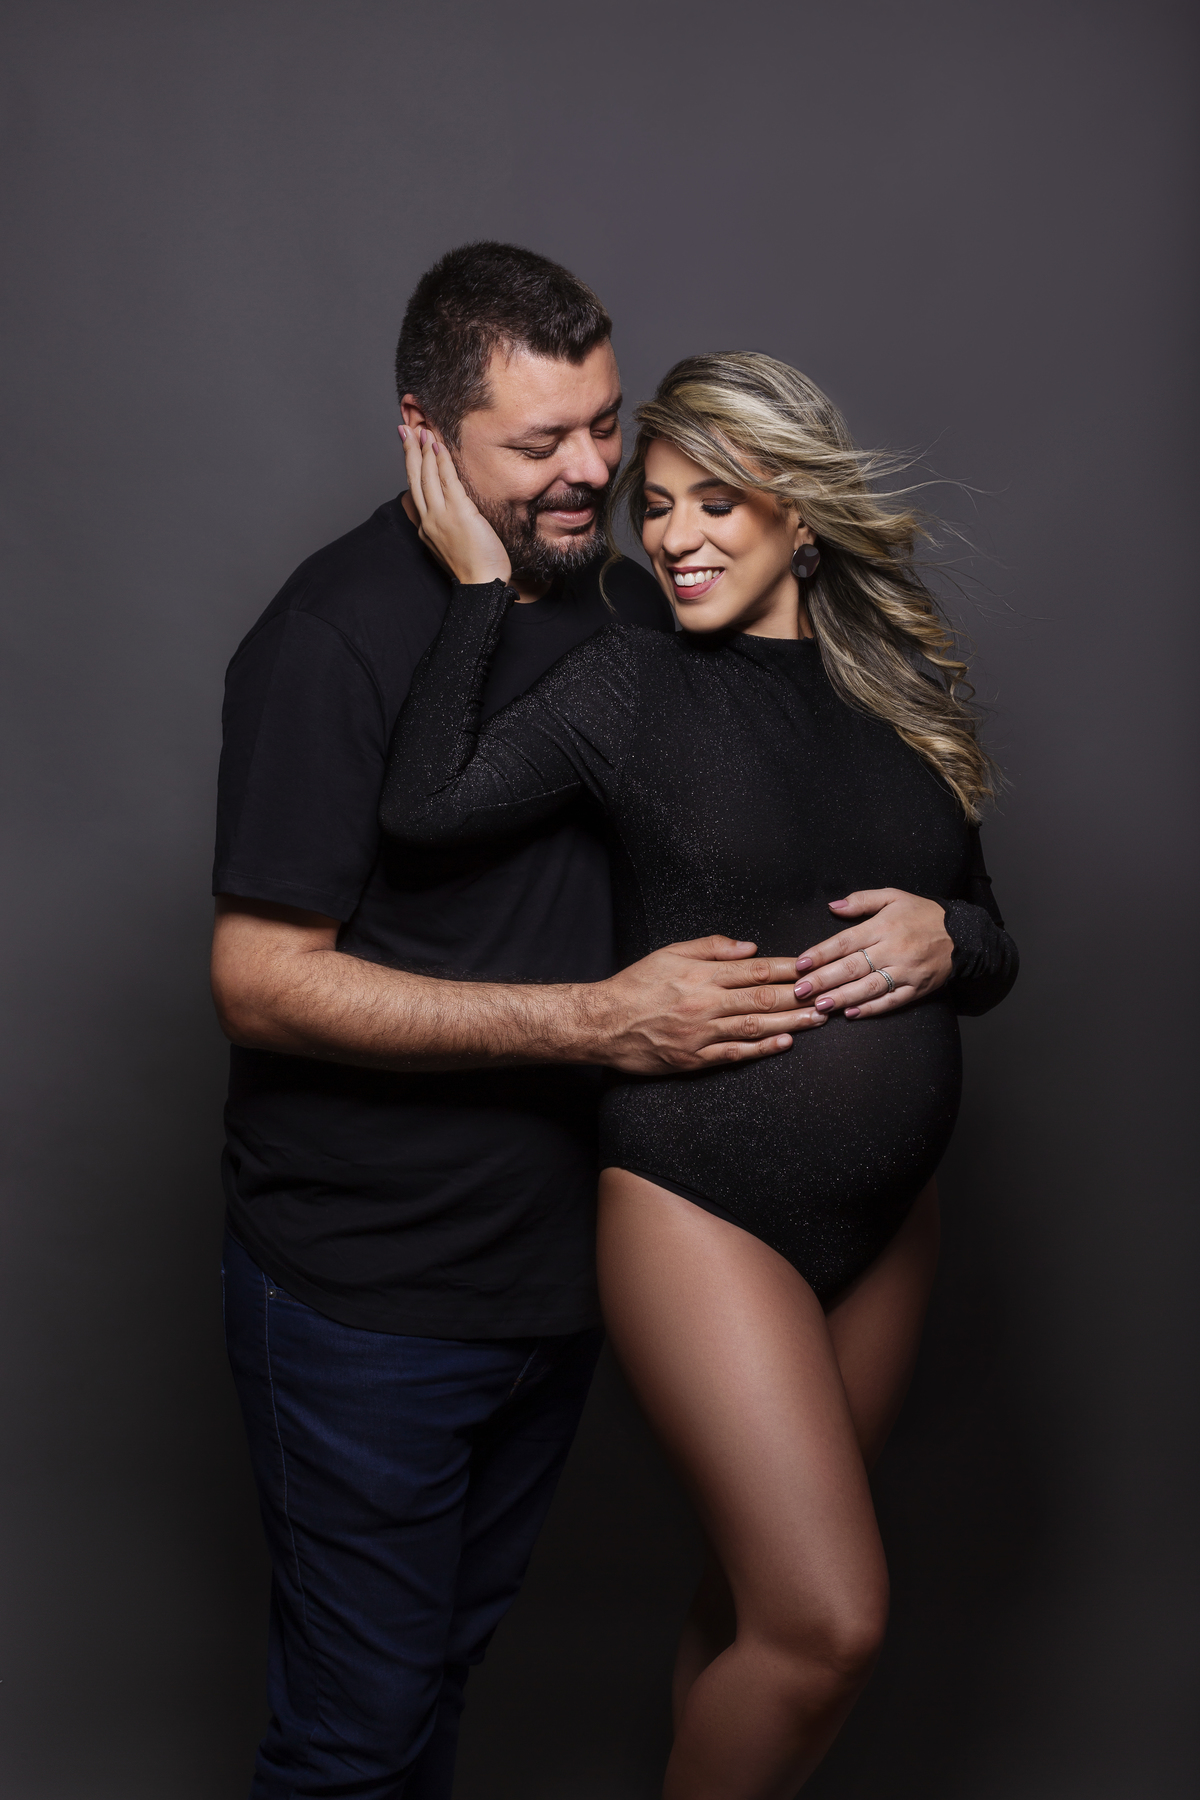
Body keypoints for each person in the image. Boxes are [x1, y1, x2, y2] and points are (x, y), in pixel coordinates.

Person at [210, 248, 835, 1800]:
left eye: (605, 424)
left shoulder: (634, 599)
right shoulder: (332, 634)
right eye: (541, 441)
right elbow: (261, 979)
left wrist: (944, 928)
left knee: (438, 1684)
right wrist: (602, 1022)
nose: (593, 472)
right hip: (369, 1294)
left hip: (562, 1278)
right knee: (356, 1736)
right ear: (423, 432)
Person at [380, 351, 1019, 1799]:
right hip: (702, 1200)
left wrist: (952, 933)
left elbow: (989, 942)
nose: (674, 537)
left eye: (715, 503)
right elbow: (425, 811)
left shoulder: (902, 693)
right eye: (657, 506)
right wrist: (478, 586)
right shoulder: (629, 686)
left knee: (753, 1607)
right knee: (827, 1623)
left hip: (888, 1223)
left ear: (799, 510)